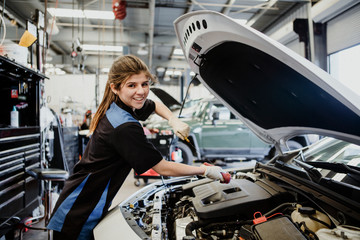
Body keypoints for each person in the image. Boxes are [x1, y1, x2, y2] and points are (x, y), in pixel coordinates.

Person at [47, 55, 226, 240]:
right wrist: (203, 170)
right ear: (115, 88)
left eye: (145, 84)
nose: (140, 91)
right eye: (131, 85)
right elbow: (161, 167)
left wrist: (173, 119)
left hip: (81, 202)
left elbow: (155, 105)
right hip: (79, 213)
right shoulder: (124, 127)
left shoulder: (123, 106)